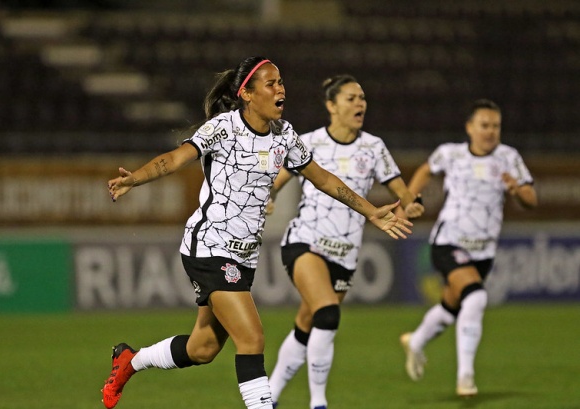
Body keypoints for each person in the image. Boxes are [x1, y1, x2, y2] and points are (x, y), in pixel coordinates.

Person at [102, 57, 413, 409]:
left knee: (202, 348)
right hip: (210, 246)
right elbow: (175, 159)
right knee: (252, 339)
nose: (280, 89)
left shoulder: (284, 135)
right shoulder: (223, 128)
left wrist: (371, 211)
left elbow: (322, 178)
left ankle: (130, 360)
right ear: (247, 94)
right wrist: (136, 178)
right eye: (271, 83)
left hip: (244, 256)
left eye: (281, 82)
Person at [266, 74, 424, 409]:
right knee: (327, 314)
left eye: (362, 98)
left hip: (345, 253)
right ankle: (318, 403)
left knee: (307, 321)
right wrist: (268, 196)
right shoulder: (308, 142)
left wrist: (411, 203)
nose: (360, 104)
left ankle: (269, 397)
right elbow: (277, 179)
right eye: (351, 98)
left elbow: (400, 189)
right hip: (305, 241)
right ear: (331, 106)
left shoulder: (373, 147)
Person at [399, 99, 537, 397]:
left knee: (452, 305)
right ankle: (466, 377)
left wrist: (517, 190)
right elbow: (425, 169)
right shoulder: (451, 153)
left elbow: (531, 199)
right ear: (470, 128)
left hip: (483, 252)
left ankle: (417, 340)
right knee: (475, 297)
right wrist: (411, 198)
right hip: (448, 242)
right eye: (484, 125)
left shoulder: (508, 157)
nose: (490, 131)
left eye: (495, 126)